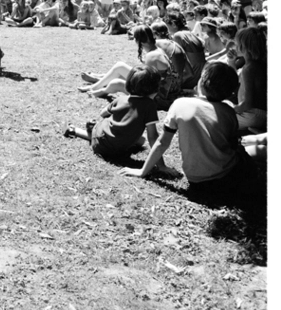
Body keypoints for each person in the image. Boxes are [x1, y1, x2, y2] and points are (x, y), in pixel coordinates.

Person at [119, 62, 260, 198]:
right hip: (227, 176)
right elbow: (232, 145)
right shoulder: (229, 112)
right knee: (246, 154)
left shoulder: (180, 104)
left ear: (202, 82)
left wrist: (143, 171)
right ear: (232, 90)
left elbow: (162, 142)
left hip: (197, 181)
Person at [65, 65, 167, 162]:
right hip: (117, 151)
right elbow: (153, 136)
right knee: (141, 140)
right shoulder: (150, 106)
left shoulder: (121, 99)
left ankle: (79, 130)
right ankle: (89, 129)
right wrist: (161, 165)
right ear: (155, 89)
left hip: (101, 144)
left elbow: (103, 113)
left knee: (138, 139)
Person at [230, 26, 266, 133]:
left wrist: (231, 110)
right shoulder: (258, 64)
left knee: (217, 119)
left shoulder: (248, 68)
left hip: (252, 115)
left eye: (237, 44)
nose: (235, 47)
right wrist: (232, 62)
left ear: (244, 47)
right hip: (258, 114)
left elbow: (248, 103)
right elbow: (235, 82)